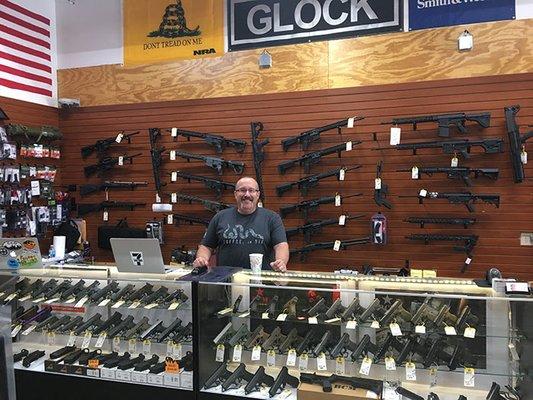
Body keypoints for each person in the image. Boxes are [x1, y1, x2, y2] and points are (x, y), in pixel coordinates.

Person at [192, 177, 289, 272]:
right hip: (226, 280)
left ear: (258, 194)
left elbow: (281, 245)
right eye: (242, 190)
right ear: (235, 194)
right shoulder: (220, 217)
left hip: (260, 283)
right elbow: (206, 246)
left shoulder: (272, 218)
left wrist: (280, 261)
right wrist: (202, 259)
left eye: (251, 190)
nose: (247, 194)